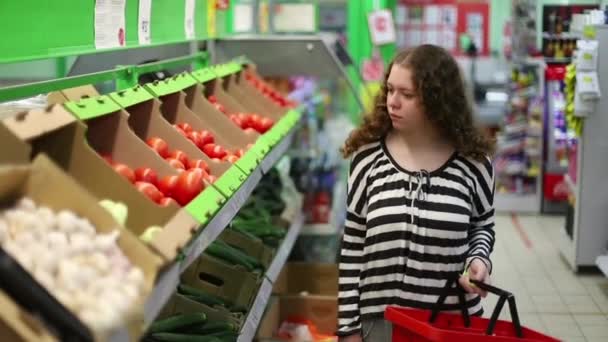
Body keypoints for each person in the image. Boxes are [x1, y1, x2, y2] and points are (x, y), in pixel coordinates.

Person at [338, 44, 496, 341]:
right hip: (382, 325)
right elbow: (352, 248)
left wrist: (479, 260)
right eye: (389, 90)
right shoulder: (367, 159)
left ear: (437, 100)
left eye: (406, 94)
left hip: (450, 326)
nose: (392, 102)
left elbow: (482, 226)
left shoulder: (473, 164)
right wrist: (348, 329)